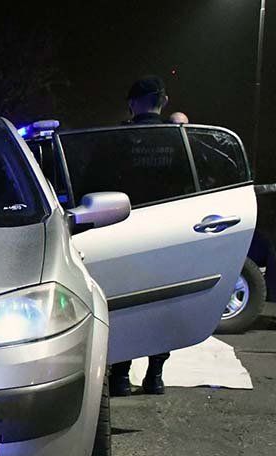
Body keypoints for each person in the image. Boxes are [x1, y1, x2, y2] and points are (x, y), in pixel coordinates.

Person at [110, 76, 176, 397]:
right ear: (163, 101)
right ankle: (155, 375)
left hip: (127, 233)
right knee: (162, 304)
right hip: (171, 234)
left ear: (132, 104)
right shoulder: (177, 139)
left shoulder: (119, 139)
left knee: (127, 304)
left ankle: (121, 376)